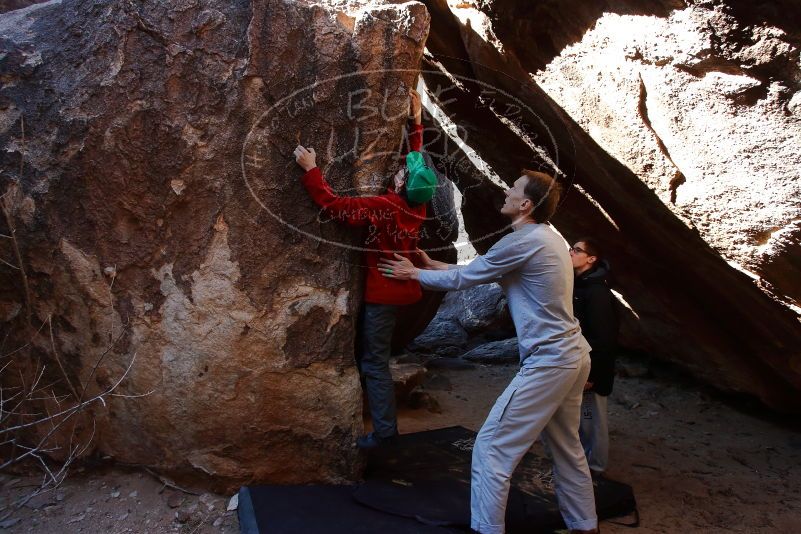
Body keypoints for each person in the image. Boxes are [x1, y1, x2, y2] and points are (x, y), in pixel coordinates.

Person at [378, 171, 599, 534]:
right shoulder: (548, 238)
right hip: (573, 354)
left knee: (491, 450)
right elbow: (483, 271)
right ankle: (585, 526)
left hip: (550, 361)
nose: (507, 192)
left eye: (513, 189)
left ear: (525, 204)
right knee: (567, 449)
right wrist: (432, 266)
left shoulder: (523, 240)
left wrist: (412, 274)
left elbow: (466, 280)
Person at [293, 89, 437, 450]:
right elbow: (416, 161)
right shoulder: (417, 205)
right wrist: (415, 121)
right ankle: (385, 425)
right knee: (382, 354)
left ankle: (385, 435)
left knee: (375, 363)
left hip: (383, 293)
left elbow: (337, 206)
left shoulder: (385, 204)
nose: (402, 168)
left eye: (403, 172)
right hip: (407, 293)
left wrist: (312, 170)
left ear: (401, 183)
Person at [570, 238, 619, 476]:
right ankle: (582, 467)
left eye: (577, 250)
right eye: (571, 247)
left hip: (593, 370)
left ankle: (596, 470)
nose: (571, 252)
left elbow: (603, 337)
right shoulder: (578, 285)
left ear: (591, 259)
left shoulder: (597, 291)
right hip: (578, 364)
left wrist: (592, 374)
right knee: (580, 421)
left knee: (593, 423)